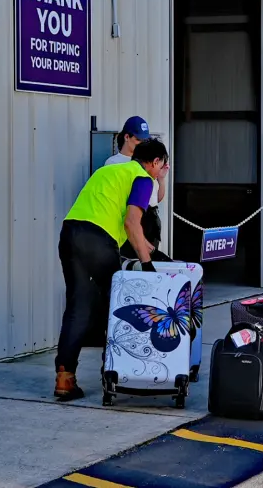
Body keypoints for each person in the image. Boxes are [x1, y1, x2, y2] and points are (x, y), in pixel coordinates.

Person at [54, 139, 170, 401]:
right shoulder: (143, 179)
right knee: (116, 309)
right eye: (161, 164)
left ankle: (65, 378)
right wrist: (147, 265)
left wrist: (142, 244)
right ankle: (116, 374)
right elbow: (132, 222)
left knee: (77, 306)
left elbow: (111, 215)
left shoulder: (108, 171)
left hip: (71, 233)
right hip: (98, 241)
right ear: (155, 163)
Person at [104, 116, 168, 260]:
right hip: (131, 215)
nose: (141, 145)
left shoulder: (150, 163)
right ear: (127, 137)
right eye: (138, 140)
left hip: (150, 216)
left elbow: (156, 198)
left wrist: (161, 179)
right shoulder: (114, 163)